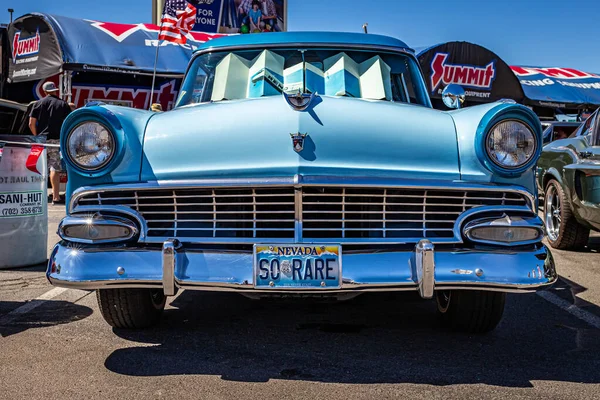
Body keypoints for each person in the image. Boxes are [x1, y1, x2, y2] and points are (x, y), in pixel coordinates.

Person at [28, 82, 71, 204]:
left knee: (39, 168)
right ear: (56, 90)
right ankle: (56, 197)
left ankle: (37, 196)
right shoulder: (63, 104)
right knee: (54, 168)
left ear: (45, 91)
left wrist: (37, 137)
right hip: (55, 140)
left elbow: (31, 123)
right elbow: (68, 123)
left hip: (41, 140)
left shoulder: (38, 104)